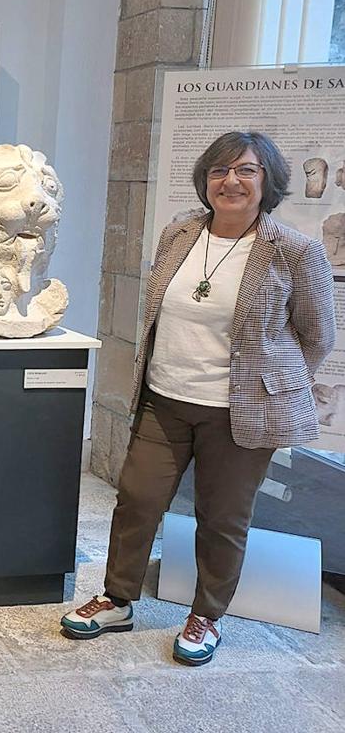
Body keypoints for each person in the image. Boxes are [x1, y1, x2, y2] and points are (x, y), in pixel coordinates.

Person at [61, 131, 334, 666]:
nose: (231, 181)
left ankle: (207, 614)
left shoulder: (294, 250)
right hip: (165, 398)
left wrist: (270, 386)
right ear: (205, 179)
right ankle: (118, 599)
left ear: (268, 181)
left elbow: (317, 335)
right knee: (137, 500)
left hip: (240, 412)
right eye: (219, 171)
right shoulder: (181, 233)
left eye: (246, 170)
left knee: (222, 517)